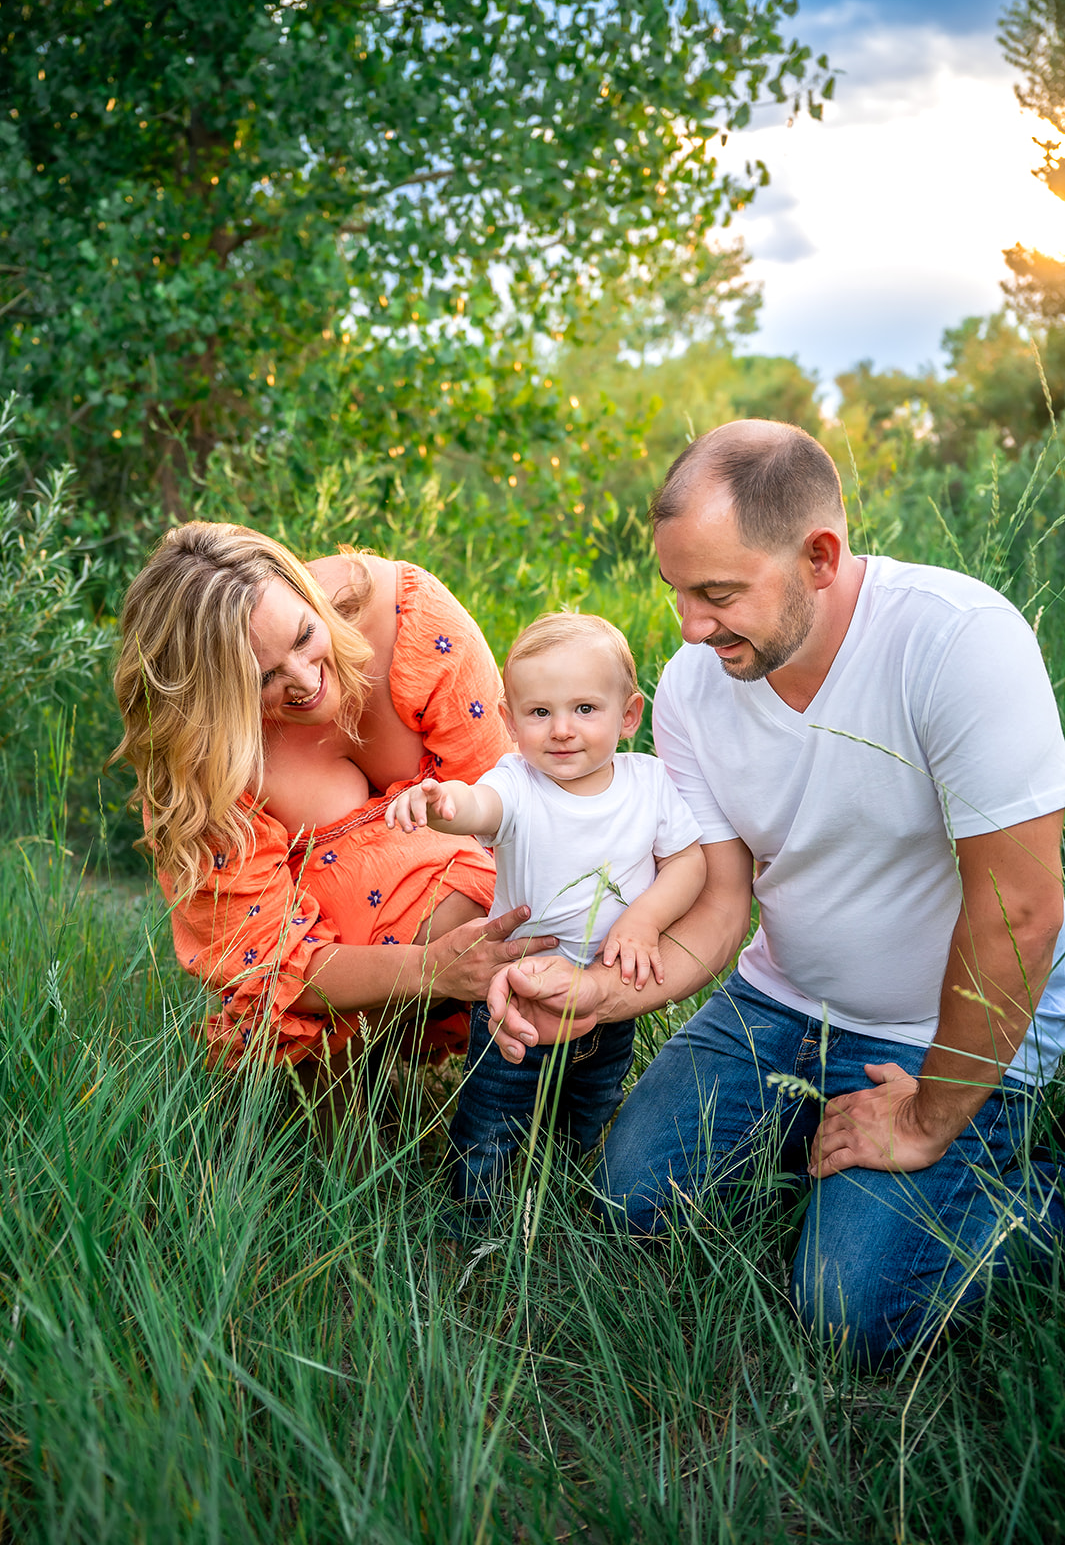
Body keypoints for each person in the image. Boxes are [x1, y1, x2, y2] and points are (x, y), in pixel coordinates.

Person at [485, 420, 1065, 1365]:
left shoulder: (957, 641)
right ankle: (839, 1159)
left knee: (847, 1312)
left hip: (945, 1025)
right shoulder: (691, 687)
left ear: (818, 558)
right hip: (780, 1005)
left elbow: (1022, 913)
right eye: (677, 592)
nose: (689, 627)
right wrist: (593, 995)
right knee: (632, 1199)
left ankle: (1000, 1180)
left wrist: (928, 1116)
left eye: (717, 595)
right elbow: (720, 910)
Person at [113, 522, 557, 1109]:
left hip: (474, 907)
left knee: (484, 888)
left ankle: (525, 1096)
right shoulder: (200, 756)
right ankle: (335, 1116)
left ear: (302, 587)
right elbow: (268, 958)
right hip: (328, 967)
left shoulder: (410, 622)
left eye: (304, 635)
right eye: (263, 678)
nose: (304, 680)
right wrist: (429, 970)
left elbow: (517, 806)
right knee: (423, 890)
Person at [386, 612, 705, 1211]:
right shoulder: (518, 782)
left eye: (585, 709)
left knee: (592, 1104)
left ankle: (564, 1192)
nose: (561, 730)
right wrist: (442, 802)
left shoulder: (650, 783)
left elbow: (688, 862)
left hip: (611, 995)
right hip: (518, 995)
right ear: (509, 722)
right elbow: (480, 807)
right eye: (539, 713)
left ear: (628, 715)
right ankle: (474, 1213)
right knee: (494, 1109)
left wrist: (644, 920)